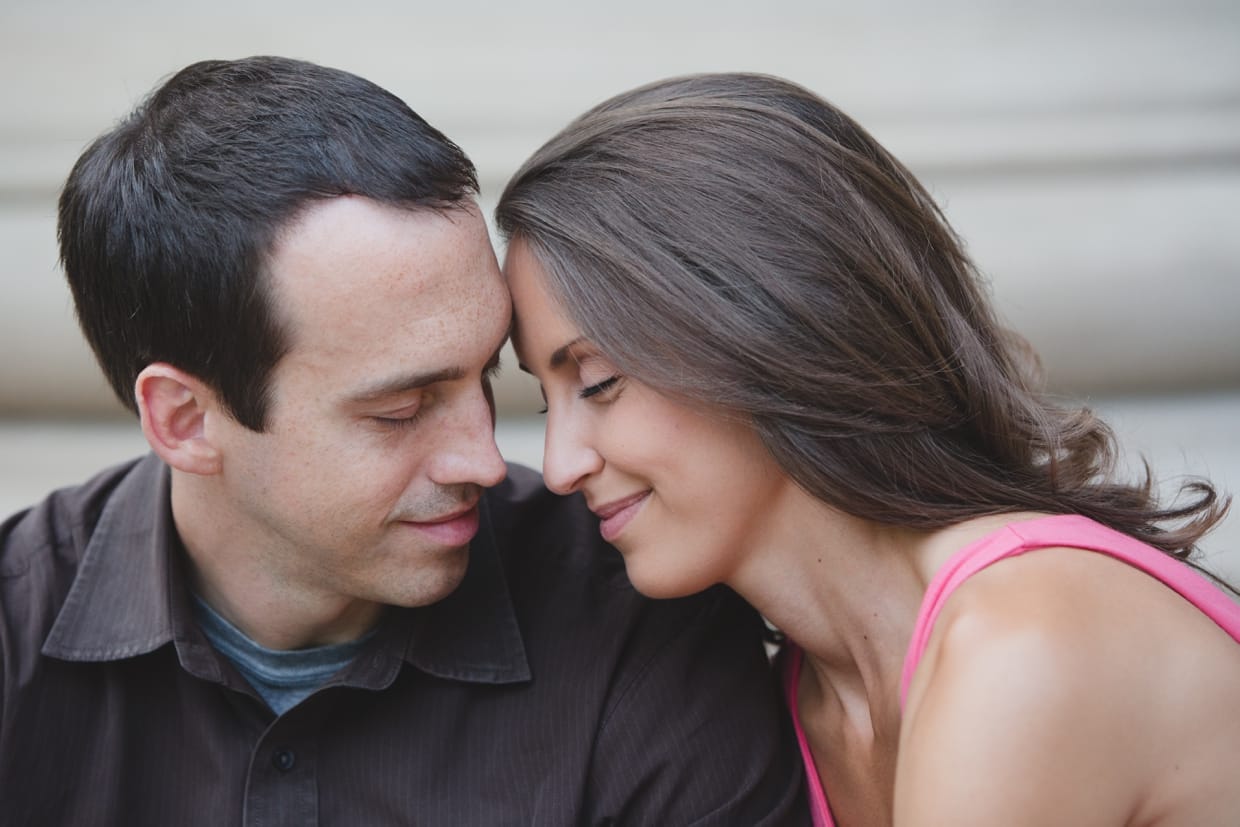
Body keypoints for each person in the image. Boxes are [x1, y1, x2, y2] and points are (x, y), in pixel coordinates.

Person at [0, 58, 809, 825]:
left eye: (485, 377)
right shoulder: (16, 637)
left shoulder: (640, 625)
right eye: (400, 409)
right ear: (184, 418)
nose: (485, 460)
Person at [496, 72, 1240, 826]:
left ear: (758, 331)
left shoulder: (1020, 646)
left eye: (596, 381)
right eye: (543, 395)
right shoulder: (799, 705)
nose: (560, 465)